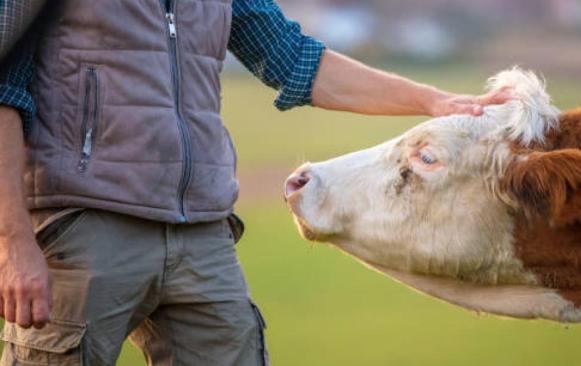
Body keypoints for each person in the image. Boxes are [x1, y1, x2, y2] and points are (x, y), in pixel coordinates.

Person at [0, 0, 512, 365]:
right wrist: (14, 242)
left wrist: (432, 101)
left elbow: (295, 60)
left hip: (201, 233)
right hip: (86, 225)